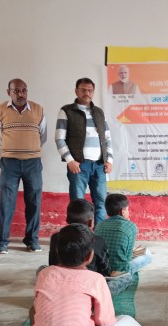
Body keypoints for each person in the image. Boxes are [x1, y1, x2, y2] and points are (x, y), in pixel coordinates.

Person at [31, 224, 119, 326]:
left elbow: (38, 308)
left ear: (57, 251)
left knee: (33, 309)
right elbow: (105, 321)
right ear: (90, 256)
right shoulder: (96, 279)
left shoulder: (45, 273)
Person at [0, 78, 47, 254]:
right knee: (6, 202)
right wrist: (12, 149)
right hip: (10, 163)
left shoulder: (38, 109)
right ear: (8, 92)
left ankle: (32, 240)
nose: (20, 94)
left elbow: (42, 136)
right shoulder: (0, 109)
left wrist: (30, 149)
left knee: (34, 202)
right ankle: (2, 242)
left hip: (33, 162)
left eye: (24, 90)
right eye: (16, 90)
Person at [46, 199, 133, 295]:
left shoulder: (55, 238)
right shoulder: (97, 241)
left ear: (67, 219)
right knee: (127, 278)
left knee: (43, 269)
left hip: (60, 284)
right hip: (90, 290)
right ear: (91, 222)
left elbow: (52, 264)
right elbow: (105, 271)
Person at [56, 78, 113, 225]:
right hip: (79, 166)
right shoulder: (67, 111)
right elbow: (59, 139)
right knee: (77, 204)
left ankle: (98, 235)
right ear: (76, 91)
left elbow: (107, 138)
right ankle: (79, 235)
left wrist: (109, 160)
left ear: (93, 92)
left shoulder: (99, 112)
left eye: (90, 90)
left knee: (101, 203)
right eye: (83, 90)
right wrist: (70, 160)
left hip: (99, 166)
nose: (87, 93)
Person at [94, 194, 152, 275]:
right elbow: (128, 258)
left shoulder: (99, 225)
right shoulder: (131, 226)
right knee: (148, 255)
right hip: (120, 271)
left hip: (101, 269)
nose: (128, 212)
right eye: (128, 209)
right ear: (123, 211)